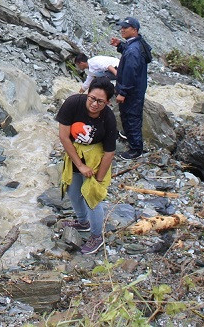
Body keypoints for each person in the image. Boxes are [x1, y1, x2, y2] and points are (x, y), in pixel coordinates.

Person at [56, 80, 117, 255]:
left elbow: (109, 153)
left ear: (107, 103)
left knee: (92, 197)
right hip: (75, 153)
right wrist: (80, 165)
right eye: (92, 98)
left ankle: (97, 236)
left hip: (95, 157)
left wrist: (98, 180)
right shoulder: (73, 103)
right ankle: (83, 222)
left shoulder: (108, 118)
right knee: (73, 191)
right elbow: (64, 137)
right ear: (87, 93)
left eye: (100, 102)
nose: (94, 104)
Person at [111, 16, 152, 160]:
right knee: (130, 117)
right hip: (137, 89)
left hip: (132, 92)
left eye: (125, 28)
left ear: (134, 30)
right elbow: (129, 53)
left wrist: (122, 92)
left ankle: (136, 150)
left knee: (131, 118)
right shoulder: (135, 43)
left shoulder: (133, 50)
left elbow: (130, 73)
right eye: (121, 27)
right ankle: (131, 140)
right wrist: (119, 46)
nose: (122, 30)